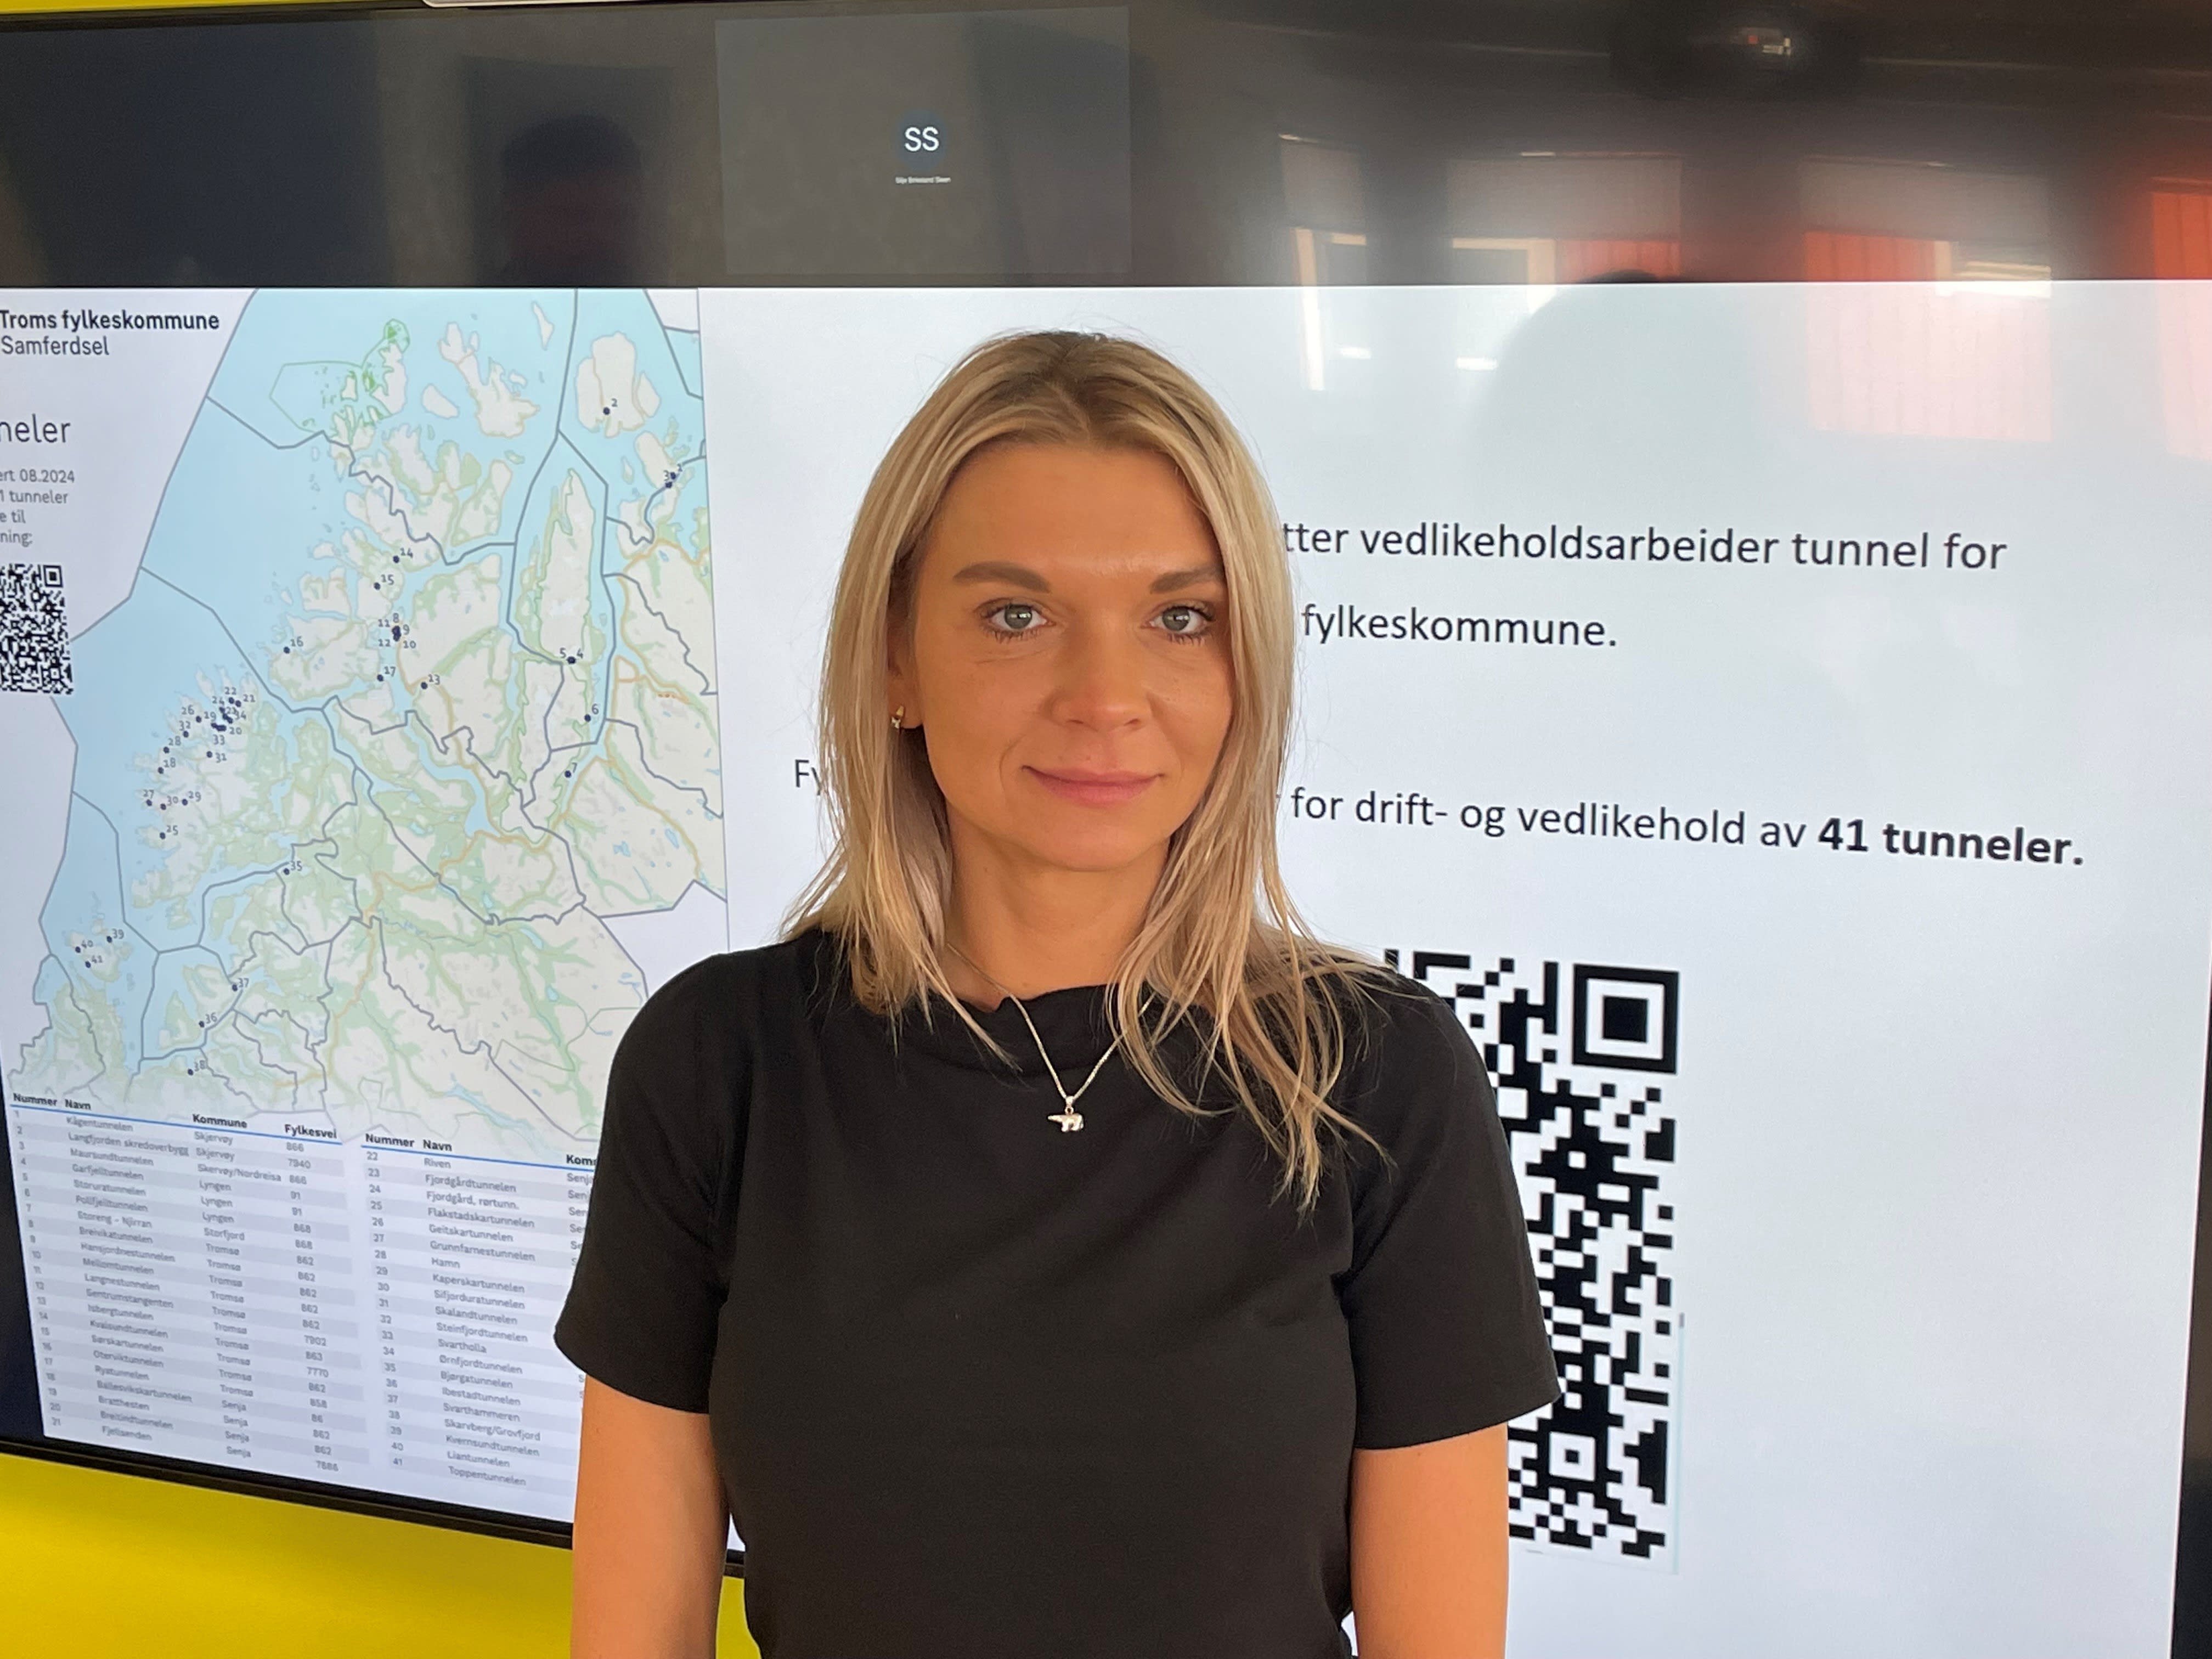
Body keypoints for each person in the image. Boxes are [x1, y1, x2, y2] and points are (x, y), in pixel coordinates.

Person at [554, 331, 1558, 1659]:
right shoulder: (718, 1065)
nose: (1106, 698)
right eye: (1015, 616)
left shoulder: (1377, 1074)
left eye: (1180, 618)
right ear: (897, 658)